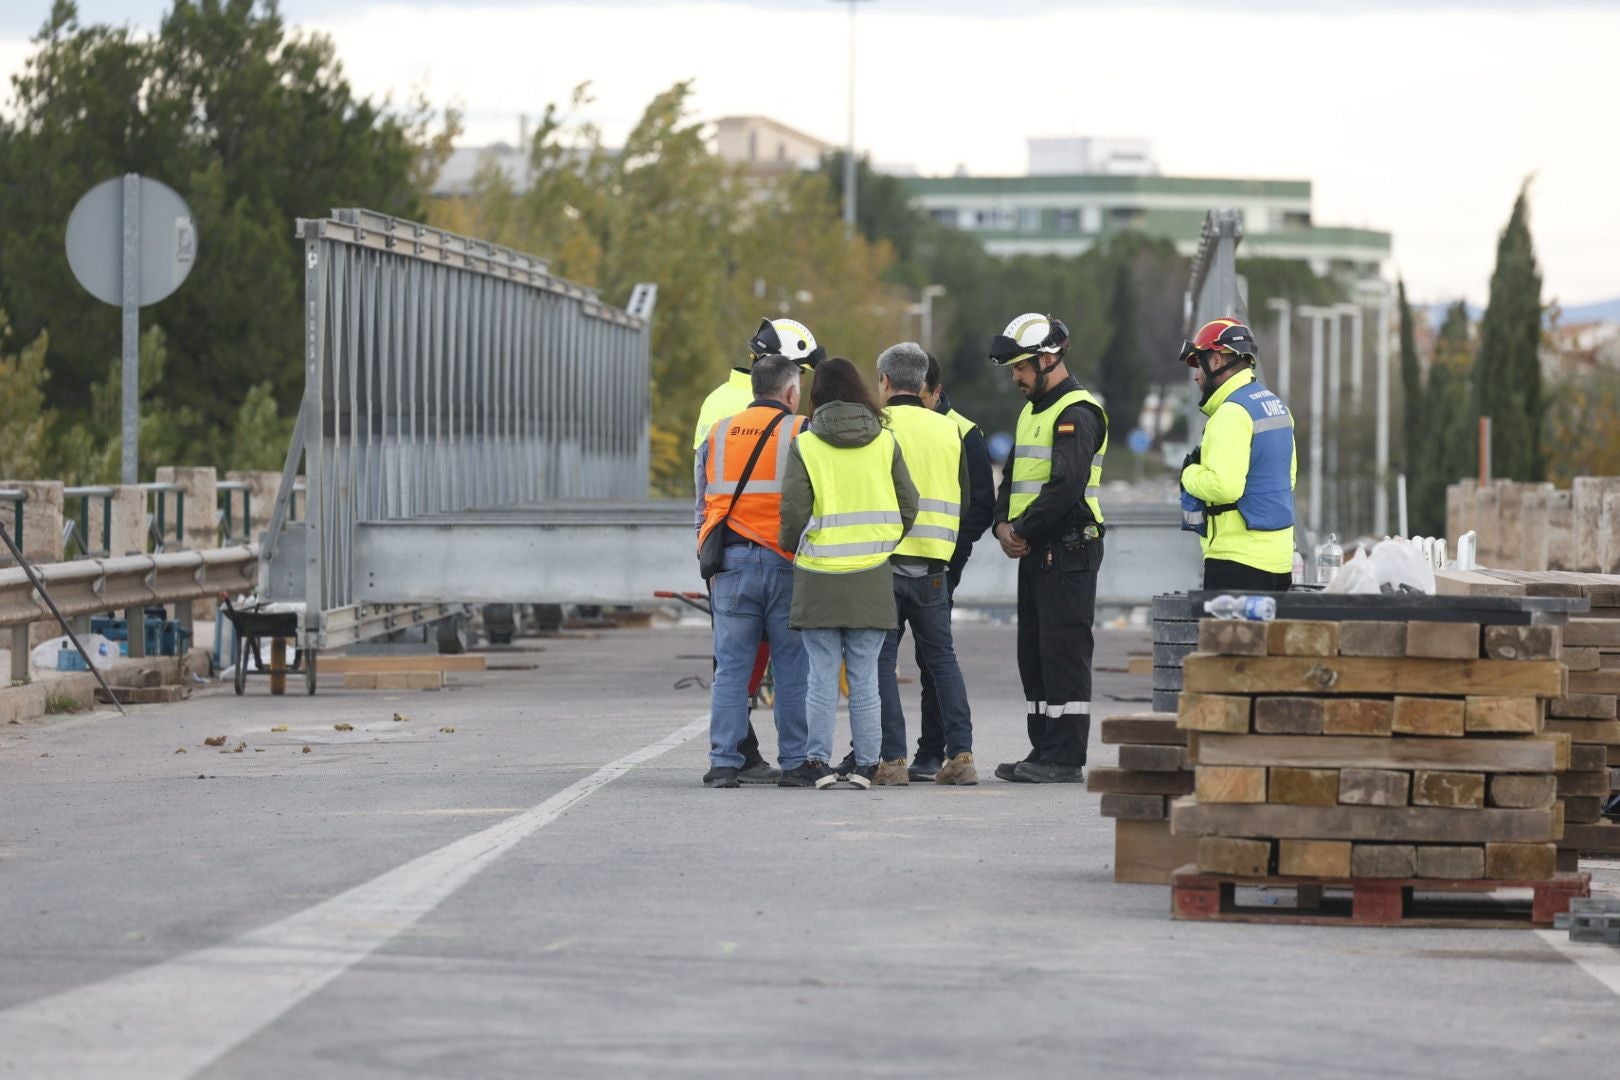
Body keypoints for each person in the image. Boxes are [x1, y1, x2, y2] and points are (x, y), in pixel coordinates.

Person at [691, 317, 824, 784]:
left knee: (731, 670)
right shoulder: (803, 431)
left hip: (729, 564)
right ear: (790, 394)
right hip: (786, 565)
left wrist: (707, 560)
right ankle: (794, 764)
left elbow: (702, 500)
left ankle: (723, 763)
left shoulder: (719, 431)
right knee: (791, 670)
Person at [778, 357, 918, 789]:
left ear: (817, 395)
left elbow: (794, 512)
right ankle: (866, 764)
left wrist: (792, 546)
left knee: (820, 675)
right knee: (865, 678)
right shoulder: (885, 441)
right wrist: (882, 543)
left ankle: (817, 762)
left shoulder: (806, 444)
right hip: (871, 577)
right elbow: (909, 504)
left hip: (819, 575)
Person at [988, 313, 1107, 784]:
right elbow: (1013, 476)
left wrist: (1022, 529)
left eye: (1020, 367)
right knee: (1034, 653)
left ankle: (1064, 755)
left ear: (1048, 358)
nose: (1015, 377)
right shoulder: (1033, 411)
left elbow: (1066, 486)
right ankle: (1043, 748)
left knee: (1064, 652)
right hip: (1038, 547)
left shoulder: (1076, 412)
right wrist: (1002, 524)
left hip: (1067, 548)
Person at [863, 342, 977, 786]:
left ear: (886, 382)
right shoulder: (950, 430)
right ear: (923, 382)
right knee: (943, 660)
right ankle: (961, 755)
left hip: (886, 560)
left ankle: (892, 762)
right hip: (934, 565)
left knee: (882, 661)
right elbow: (966, 496)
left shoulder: (877, 426)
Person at [908, 351, 995, 781]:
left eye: (918, 395)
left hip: (939, 562)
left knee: (932, 659)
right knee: (924, 656)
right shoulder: (899, 424)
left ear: (936, 392)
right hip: (900, 558)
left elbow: (981, 505)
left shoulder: (964, 432)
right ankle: (895, 752)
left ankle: (930, 749)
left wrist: (953, 555)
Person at [1177, 318, 1297, 592]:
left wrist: (1189, 474)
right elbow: (1289, 478)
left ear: (1217, 361)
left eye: (1199, 363)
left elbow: (1224, 487)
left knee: (1230, 637)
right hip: (1278, 561)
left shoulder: (1231, 413)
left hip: (1236, 561)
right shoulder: (1275, 407)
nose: (1196, 375)